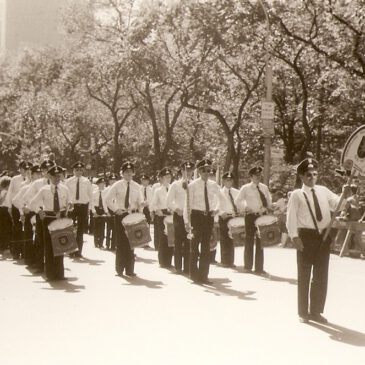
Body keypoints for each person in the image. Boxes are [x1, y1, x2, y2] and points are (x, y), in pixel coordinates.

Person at [286, 158, 352, 323]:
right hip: (306, 237)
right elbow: (291, 217)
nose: (312, 177)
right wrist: (294, 236)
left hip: (323, 237)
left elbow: (339, 204)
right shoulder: (297, 194)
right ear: (301, 176)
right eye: (308, 174)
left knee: (321, 276)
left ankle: (315, 311)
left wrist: (346, 194)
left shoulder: (323, 190)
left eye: (315, 174)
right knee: (304, 275)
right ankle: (303, 313)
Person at [29, 165, 73, 281]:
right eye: (54, 176)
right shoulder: (44, 190)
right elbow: (32, 203)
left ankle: (60, 274)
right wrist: (39, 211)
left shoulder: (65, 189)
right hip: (48, 218)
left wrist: (69, 206)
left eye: (59, 176)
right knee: (49, 246)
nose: (57, 178)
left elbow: (70, 202)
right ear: (49, 177)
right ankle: (50, 274)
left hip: (61, 217)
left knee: (61, 245)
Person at [184, 159, 220, 284]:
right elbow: (187, 205)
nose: (206, 173)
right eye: (203, 170)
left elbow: (221, 198)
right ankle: (194, 275)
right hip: (196, 217)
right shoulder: (192, 185)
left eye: (208, 170)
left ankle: (204, 276)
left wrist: (217, 209)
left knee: (206, 247)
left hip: (208, 217)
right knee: (194, 247)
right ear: (198, 171)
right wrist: (186, 221)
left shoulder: (213, 185)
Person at [104, 162, 143, 277]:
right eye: (126, 172)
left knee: (132, 242)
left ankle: (130, 270)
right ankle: (120, 269)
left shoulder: (137, 186)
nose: (129, 174)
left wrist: (142, 205)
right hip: (121, 215)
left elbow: (140, 201)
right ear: (122, 173)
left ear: (133, 173)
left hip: (132, 215)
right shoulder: (117, 185)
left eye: (131, 172)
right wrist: (116, 209)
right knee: (121, 242)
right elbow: (107, 199)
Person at [235, 166, 272, 275]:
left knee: (261, 241)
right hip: (251, 216)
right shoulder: (245, 188)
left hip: (261, 216)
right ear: (251, 177)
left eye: (259, 175)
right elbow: (238, 201)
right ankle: (247, 266)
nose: (258, 177)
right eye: (256, 176)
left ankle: (259, 268)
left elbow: (269, 200)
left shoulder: (264, 187)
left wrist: (268, 207)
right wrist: (245, 207)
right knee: (249, 240)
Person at [21, 159, 54, 273]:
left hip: (54, 215)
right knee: (40, 240)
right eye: (45, 170)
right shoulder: (37, 183)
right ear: (43, 171)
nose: (48, 172)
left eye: (50, 169)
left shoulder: (59, 183)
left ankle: (52, 267)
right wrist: (37, 209)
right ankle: (39, 265)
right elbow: (26, 197)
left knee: (54, 241)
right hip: (41, 214)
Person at [166, 162, 194, 274]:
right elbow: (168, 201)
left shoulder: (194, 184)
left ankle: (187, 267)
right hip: (179, 216)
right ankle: (178, 266)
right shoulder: (175, 184)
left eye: (190, 170)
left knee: (189, 241)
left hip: (191, 217)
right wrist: (177, 209)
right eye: (186, 170)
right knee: (178, 241)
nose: (188, 172)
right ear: (182, 171)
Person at [4, 161, 32, 260]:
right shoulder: (15, 179)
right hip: (16, 206)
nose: (25, 171)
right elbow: (10, 193)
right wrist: (9, 207)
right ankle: (16, 252)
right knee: (17, 229)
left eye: (27, 169)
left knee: (27, 229)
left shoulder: (31, 180)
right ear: (19, 169)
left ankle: (25, 252)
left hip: (27, 207)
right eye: (23, 169)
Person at [65, 161, 94, 258]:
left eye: (80, 170)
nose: (78, 172)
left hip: (83, 206)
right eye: (76, 170)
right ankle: (70, 250)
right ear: (73, 171)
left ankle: (78, 251)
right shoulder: (68, 182)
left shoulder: (87, 181)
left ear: (83, 171)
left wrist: (90, 208)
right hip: (72, 207)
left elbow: (91, 196)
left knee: (80, 230)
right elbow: (65, 195)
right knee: (70, 229)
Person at [217, 172, 240, 268]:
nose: (229, 182)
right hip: (224, 217)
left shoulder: (237, 192)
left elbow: (240, 203)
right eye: (227, 180)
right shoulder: (219, 192)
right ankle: (224, 260)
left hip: (233, 216)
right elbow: (216, 204)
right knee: (224, 238)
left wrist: (239, 210)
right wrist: (221, 212)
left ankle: (231, 261)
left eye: (230, 180)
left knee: (232, 238)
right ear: (223, 181)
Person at [151, 167, 173, 268]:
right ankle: (162, 261)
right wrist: (157, 210)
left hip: (171, 214)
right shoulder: (158, 191)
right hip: (161, 215)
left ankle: (169, 261)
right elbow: (153, 204)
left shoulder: (173, 188)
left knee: (171, 237)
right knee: (163, 238)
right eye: (166, 177)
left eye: (169, 177)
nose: (168, 179)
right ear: (161, 178)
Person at [92, 177, 109, 248]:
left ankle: (101, 243)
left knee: (102, 227)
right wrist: (94, 212)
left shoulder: (107, 192)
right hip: (96, 209)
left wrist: (106, 212)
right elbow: (92, 203)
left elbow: (107, 202)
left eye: (103, 183)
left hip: (103, 210)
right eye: (100, 183)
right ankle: (96, 243)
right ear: (98, 184)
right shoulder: (94, 192)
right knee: (96, 227)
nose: (102, 185)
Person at [105, 173, 118, 250]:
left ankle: (113, 245)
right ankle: (107, 244)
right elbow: (104, 201)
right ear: (109, 181)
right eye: (111, 180)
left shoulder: (117, 188)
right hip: (109, 210)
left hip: (116, 209)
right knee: (108, 228)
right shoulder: (106, 189)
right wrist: (107, 211)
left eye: (114, 180)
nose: (113, 181)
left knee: (115, 229)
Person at [0, 176, 12, 255]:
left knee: (5, 228)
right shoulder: (4, 192)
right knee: (5, 228)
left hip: (5, 210)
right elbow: (2, 201)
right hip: (4, 210)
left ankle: (5, 246)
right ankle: (4, 246)